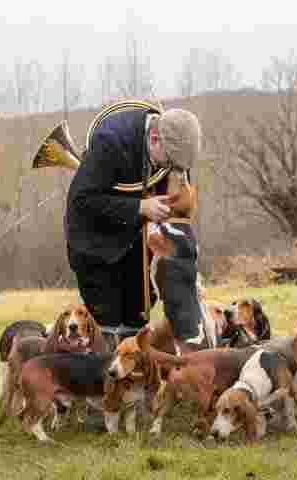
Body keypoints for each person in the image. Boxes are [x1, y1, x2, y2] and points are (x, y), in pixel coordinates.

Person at [64, 103, 202, 430]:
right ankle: (102, 411)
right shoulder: (111, 143)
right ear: (154, 138)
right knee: (108, 325)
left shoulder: (166, 140)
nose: (169, 168)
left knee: (137, 319)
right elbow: (82, 201)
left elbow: (171, 187)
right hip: (94, 246)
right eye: (168, 161)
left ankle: (133, 402)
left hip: (132, 242)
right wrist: (140, 206)